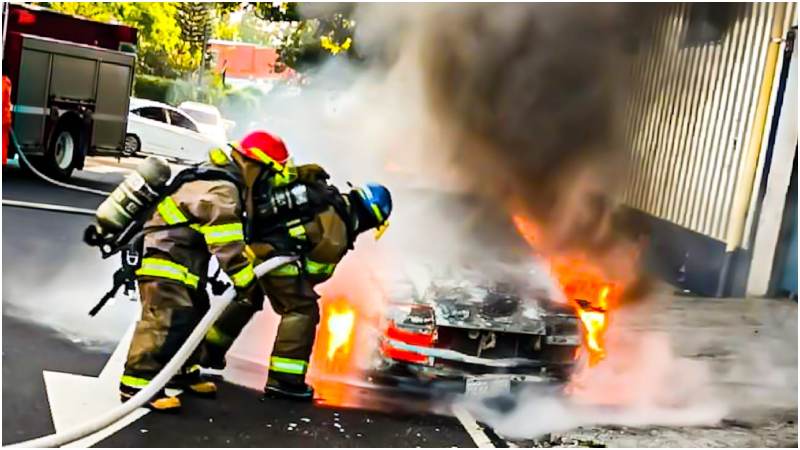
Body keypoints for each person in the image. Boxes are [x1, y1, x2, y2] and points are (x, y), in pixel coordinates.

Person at [121, 130, 293, 411]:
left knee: (194, 314)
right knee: (165, 322)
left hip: (183, 261)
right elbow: (224, 238)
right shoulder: (223, 189)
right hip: (164, 258)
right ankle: (137, 385)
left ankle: (181, 371)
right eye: (269, 173)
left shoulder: (224, 179)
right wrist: (242, 275)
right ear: (254, 165)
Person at [199, 165, 393, 401]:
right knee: (302, 308)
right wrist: (300, 286)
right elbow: (315, 273)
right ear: (371, 217)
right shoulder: (338, 230)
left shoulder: (327, 199)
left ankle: (207, 351)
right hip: (273, 257)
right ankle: (285, 380)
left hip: (256, 249)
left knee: (248, 297)